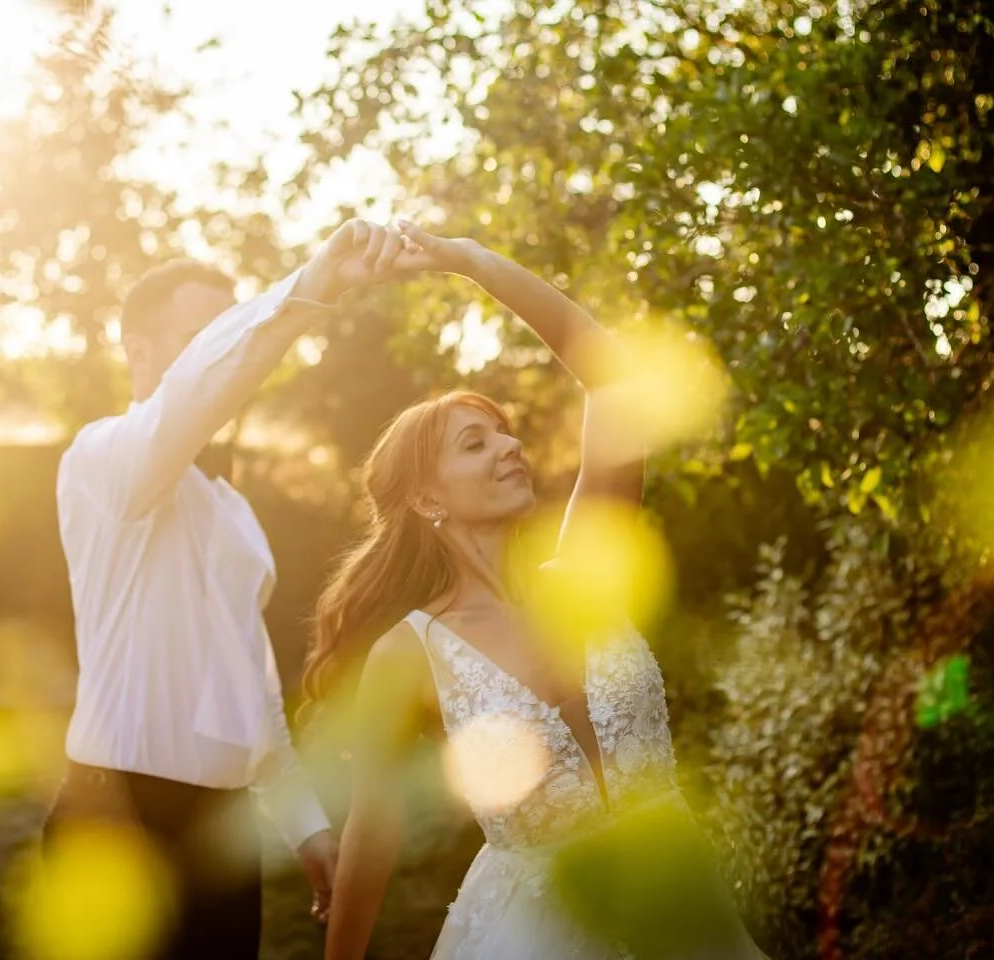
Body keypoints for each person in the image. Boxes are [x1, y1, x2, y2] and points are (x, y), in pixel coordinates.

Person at [307, 220, 769, 959]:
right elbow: (373, 829)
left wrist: (470, 260)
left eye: (505, 432)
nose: (510, 446)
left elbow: (613, 380)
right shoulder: (410, 652)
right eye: (476, 443)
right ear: (426, 499)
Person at [49, 219, 408, 958]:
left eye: (229, 333)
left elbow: (250, 689)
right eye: (202, 337)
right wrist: (312, 285)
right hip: (112, 820)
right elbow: (190, 399)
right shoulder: (102, 459)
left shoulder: (235, 513)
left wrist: (303, 824)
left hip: (223, 830)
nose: (226, 354)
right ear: (139, 351)